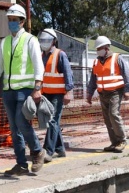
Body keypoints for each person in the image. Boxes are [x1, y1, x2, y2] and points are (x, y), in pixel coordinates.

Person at [0, 4, 46, 177]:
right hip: (8, 92)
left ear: (22, 21)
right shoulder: (5, 42)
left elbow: (39, 67)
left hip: (25, 91)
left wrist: (37, 88)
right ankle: (21, 164)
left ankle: (37, 151)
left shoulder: (30, 40)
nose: (11, 23)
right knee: (13, 129)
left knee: (21, 122)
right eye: (9, 20)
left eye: (14, 20)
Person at [85, 36, 129, 153]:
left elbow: (128, 75)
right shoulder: (96, 62)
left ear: (106, 48)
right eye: (97, 48)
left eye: (100, 48)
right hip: (102, 93)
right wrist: (89, 94)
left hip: (115, 92)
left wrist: (128, 90)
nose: (98, 50)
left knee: (113, 114)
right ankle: (114, 142)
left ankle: (122, 140)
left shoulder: (117, 58)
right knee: (107, 119)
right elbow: (93, 80)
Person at [38, 28, 74, 162]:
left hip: (58, 95)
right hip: (46, 94)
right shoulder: (41, 56)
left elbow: (68, 73)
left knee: (52, 121)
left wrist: (68, 92)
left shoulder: (60, 54)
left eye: (47, 40)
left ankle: (48, 151)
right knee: (53, 121)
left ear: (54, 41)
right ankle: (60, 149)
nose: (44, 43)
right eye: (42, 40)